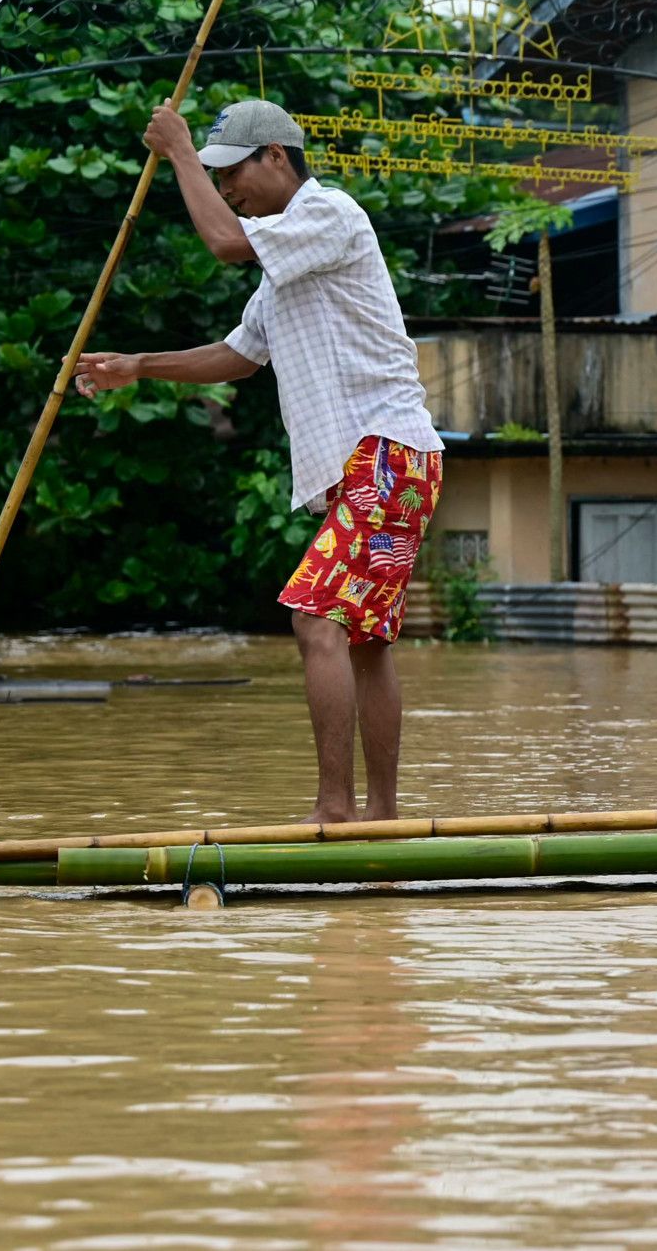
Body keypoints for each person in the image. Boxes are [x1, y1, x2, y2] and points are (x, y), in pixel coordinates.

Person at [74, 99, 444, 825]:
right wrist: (138, 365)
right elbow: (238, 357)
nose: (228, 187)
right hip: (380, 464)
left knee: (316, 624)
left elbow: (221, 241)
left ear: (278, 155)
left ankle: (337, 813)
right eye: (217, 173)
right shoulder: (287, 266)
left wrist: (180, 149)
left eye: (233, 170)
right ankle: (380, 821)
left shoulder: (330, 215)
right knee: (364, 641)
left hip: (390, 453)